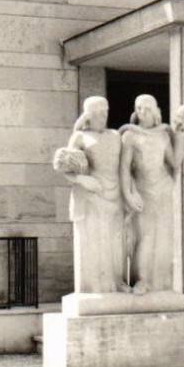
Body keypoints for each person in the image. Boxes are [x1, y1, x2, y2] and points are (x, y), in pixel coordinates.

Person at [53, 96, 124, 295]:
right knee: (94, 240)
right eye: (98, 112)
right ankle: (95, 287)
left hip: (114, 193)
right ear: (89, 115)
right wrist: (82, 180)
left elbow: (124, 166)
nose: (103, 115)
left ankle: (115, 282)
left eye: (105, 111)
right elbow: (64, 165)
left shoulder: (115, 135)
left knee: (114, 243)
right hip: (91, 196)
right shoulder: (80, 137)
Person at [118, 95, 184, 296]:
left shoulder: (163, 135)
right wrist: (128, 194)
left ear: (155, 111)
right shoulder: (129, 136)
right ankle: (142, 280)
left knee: (163, 237)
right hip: (142, 191)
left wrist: (181, 135)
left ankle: (161, 282)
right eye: (139, 108)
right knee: (144, 237)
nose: (143, 112)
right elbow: (124, 168)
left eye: (147, 108)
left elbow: (175, 162)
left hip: (163, 190)